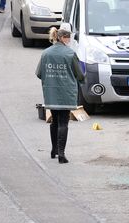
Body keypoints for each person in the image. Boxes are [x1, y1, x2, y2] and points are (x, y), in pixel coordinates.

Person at [36, 26, 84, 164]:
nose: (69, 40)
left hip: (51, 92)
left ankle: (54, 150)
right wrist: (82, 79)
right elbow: (79, 74)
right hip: (66, 93)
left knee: (54, 121)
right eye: (68, 38)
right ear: (63, 38)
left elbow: (39, 73)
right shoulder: (70, 54)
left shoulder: (46, 53)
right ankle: (62, 154)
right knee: (64, 122)